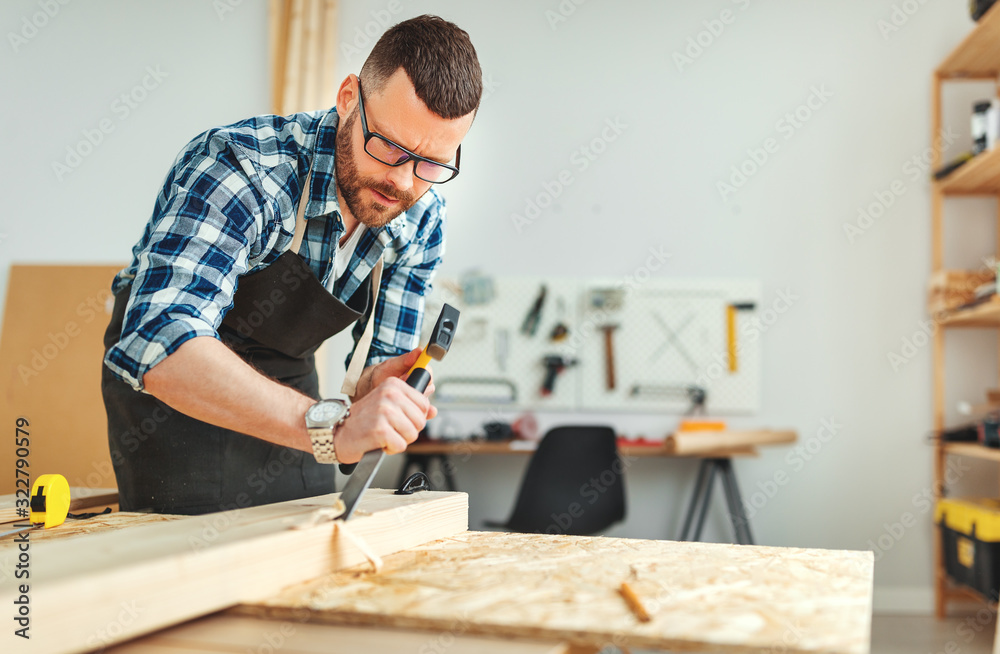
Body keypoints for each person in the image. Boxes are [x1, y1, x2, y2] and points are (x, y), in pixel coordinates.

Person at [100, 15, 482, 515]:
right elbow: (158, 340)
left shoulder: (420, 219)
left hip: (290, 385)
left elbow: (373, 378)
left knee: (305, 544)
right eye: (388, 146)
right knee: (194, 568)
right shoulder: (245, 168)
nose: (404, 183)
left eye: (432, 164)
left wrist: (384, 392)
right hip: (178, 396)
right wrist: (331, 425)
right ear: (349, 97)